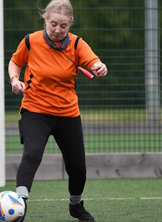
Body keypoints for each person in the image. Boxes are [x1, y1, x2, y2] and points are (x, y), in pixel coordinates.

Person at [9, 0, 107, 221]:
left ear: (70, 24)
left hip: (68, 113)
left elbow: (94, 62)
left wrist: (100, 67)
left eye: (63, 26)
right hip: (35, 109)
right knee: (32, 153)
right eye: (53, 24)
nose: (57, 30)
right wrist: (14, 79)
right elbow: (15, 62)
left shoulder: (77, 44)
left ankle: (75, 205)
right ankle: (19, 204)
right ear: (46, 19)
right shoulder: (31, 41)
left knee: (78, 168)